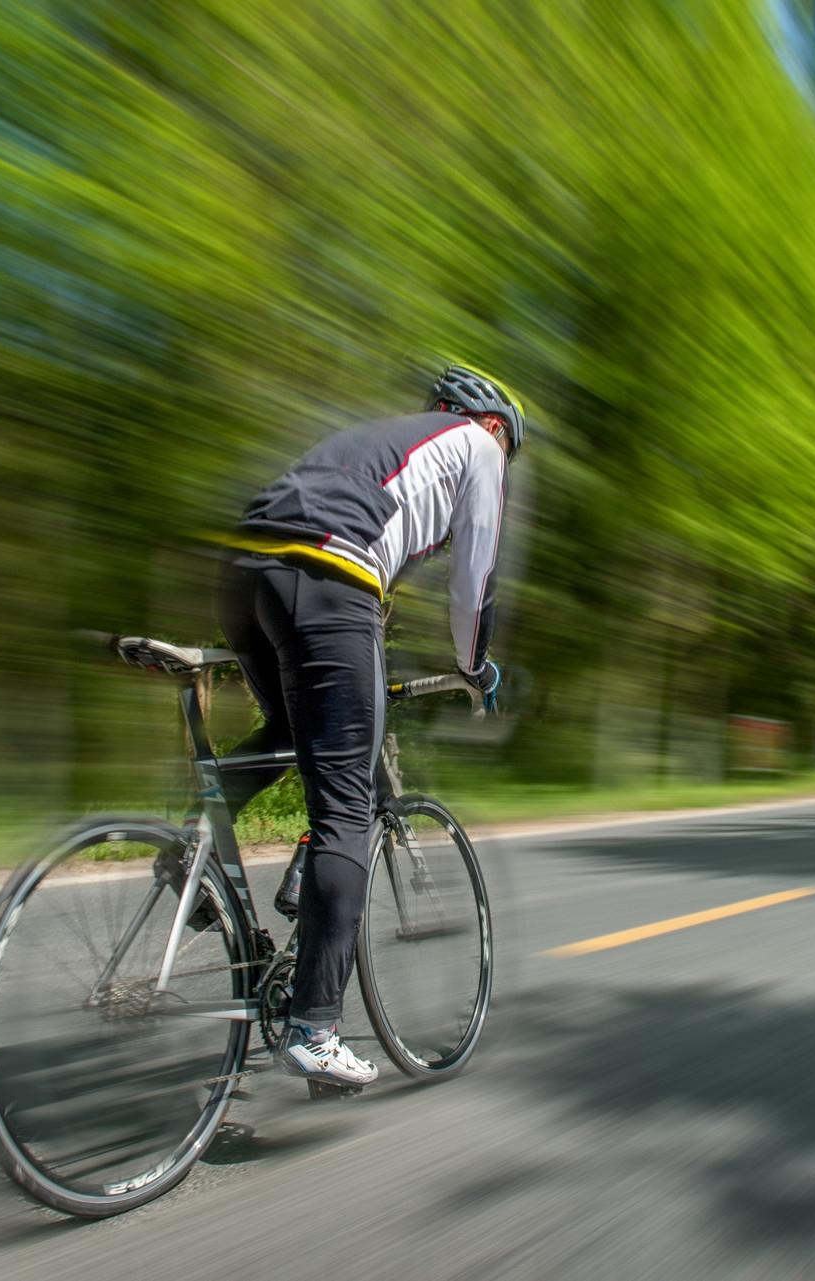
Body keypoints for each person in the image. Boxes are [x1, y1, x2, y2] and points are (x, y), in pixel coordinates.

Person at [213, 365, 524, 1089]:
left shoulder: (379, 447)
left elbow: (375, 564)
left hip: (242, 569)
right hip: (327, 578)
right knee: (347, 807)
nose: (502, 459)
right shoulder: (477, 449)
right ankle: (316, 1026)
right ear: (494, 425)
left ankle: (190, 849)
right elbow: (473, 583)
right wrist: (475, 665)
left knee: (293, 732)